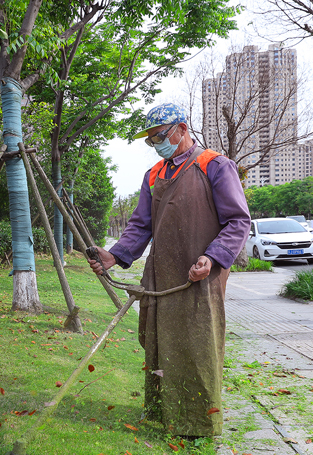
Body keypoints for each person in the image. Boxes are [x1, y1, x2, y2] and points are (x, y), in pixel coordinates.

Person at [87, 103, 250, 437]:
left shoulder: (215, 165)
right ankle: (163, 414)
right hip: (161, 276)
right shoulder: (155, 174)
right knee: (159, 343)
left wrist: (213, 257)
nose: (156, 143)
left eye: (159, 136)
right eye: (151, 140)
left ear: (182, 129)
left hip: (199, 277)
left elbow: (238, 220)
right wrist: (114, 256)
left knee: (197, 347)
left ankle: (198, 424)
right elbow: (139, 225)